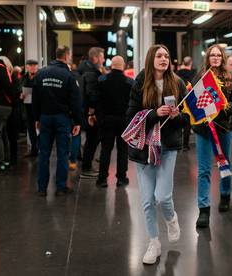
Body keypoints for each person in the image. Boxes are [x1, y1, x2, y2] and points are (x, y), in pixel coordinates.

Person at [126, 44, 187, 264]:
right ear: (151, 58)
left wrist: (177, 116)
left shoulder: (178, 83)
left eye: (167, 56)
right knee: (147, 201)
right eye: (159, 55)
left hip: (168, 146)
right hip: (143, 149)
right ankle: (153, 243)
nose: (164, 59)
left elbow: (186, 120)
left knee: (163, 197)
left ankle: (172, 219)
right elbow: (131, 115)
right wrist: (154, 113)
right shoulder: (140, 82)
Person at [192, 45, 232, 228]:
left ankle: (225, 195)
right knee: (204, 170)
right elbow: (193, 101)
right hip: (203, 129)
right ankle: (203, 209)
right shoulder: (200, 77)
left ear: (222, 58)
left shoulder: (231, 78)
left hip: (225, 128)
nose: (215, 58)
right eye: (212, 55)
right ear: (208, 58)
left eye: (218, 55)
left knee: (225, 164)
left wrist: (226, 107)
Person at [32, 46, 81, 197]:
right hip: (62, 119)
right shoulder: (69, 76)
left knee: (44, 153)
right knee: (62, 153)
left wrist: (36, 118)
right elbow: (75, 101)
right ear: (66, 56)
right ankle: (60, 187)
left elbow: (35, 98)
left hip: (45, 117)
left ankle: (41, 188)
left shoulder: (41, 73)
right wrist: (77, 122)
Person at [95, 56, 134, 187]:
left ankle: (102, 179)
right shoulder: (130, 82)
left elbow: (97, 100)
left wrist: (98, 116)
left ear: (111, 65)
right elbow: (132, 103)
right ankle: (121, 178)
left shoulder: (102, 80)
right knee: (123, 150)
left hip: (106, 120)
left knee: (105, 149)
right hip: (124, 120)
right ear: (123, 66)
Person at [78, 47, 105, 178]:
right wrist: (92, 113)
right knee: (92, 139)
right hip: (91, 114)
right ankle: (86, 168)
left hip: (85, 111)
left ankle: (86, 164)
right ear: (95, 58)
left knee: (91, 139)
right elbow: (92, 94)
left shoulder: (84, 70)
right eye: (102, 57)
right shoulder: (91, 73)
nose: (103, 59)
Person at [176, 56, 197, 151]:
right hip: (189, 100)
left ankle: (177, 143)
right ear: (191, 63)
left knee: (177, 121)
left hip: (178, 100)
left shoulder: (176, 74)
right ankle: (185, 145)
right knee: (187, 124)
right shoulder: (193, 74)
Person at [20, 59, 39, 157]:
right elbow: (20, 89)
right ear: (26, 67)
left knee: (39, 129)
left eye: (35, 65)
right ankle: (34, 150)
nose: (33, 67)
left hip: (38, 108)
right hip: (27, 106)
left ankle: (40, 148)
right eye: (30, 65)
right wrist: (21, 94)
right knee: (30, 129)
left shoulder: (40, 77)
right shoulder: (23, 78)